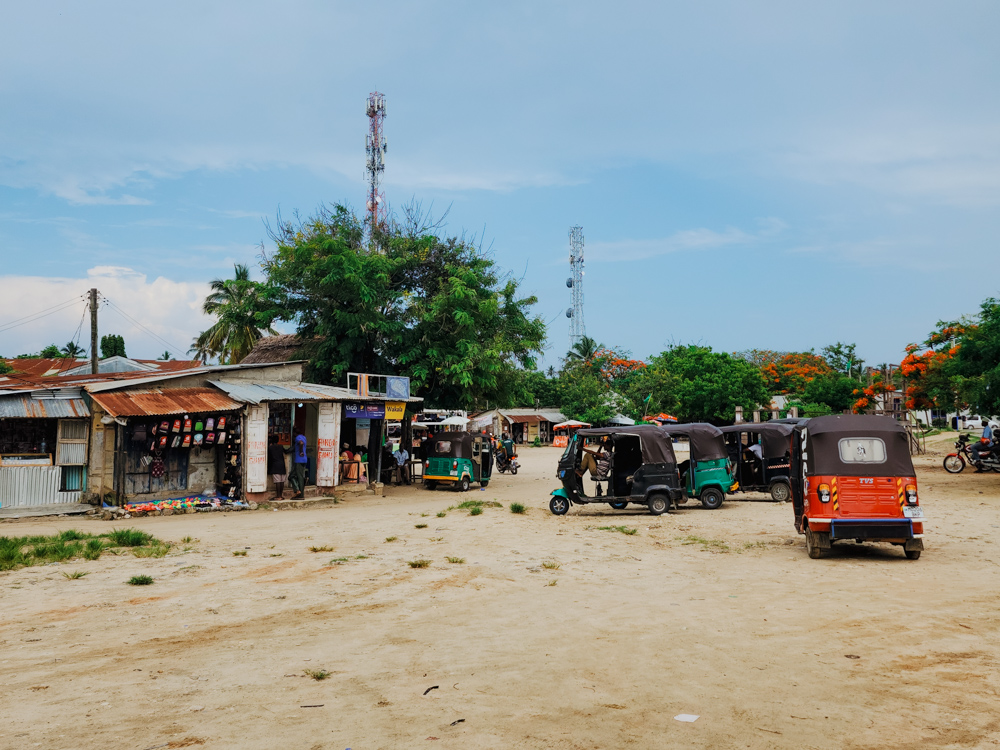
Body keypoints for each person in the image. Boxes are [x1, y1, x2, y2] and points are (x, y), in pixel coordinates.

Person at [267, 435, 288, 500]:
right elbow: (286, 451)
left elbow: (269, 458)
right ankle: (280, 496)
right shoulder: (281, 446)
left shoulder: (270, 448)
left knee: (278, 481)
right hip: (282, 465)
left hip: (275, 466)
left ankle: (278, 496)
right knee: (282, 481)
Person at [290, 428, 307, 497]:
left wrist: (300, 452)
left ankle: (299, 492)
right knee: (298, 476)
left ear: (294, 433)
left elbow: (301, 443)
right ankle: (299, 492)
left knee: (295, 477)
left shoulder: (298, 438)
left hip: (299, 460)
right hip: (304, 460)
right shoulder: (304, 437)